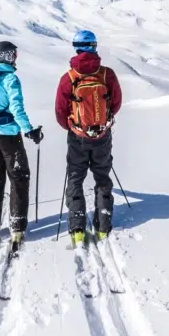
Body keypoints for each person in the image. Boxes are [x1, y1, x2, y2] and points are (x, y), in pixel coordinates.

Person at [54, 30, 122, 247]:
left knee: (75, 178)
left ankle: (77, 230)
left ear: (76, 47)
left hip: (77, 136)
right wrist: (102, 123)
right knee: (102, 176)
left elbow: (60, 110)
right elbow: (117, 102)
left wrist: (74, 127)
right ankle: (103, 227)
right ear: (94, 46)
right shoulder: (106, 74)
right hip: (102, 134)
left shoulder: (69, 77)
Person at [0, 40, 43, 254]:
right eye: (13, 55)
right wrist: (29, 130)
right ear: (6, 56)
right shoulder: (10, 79)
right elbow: (17, 108)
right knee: (19, 177)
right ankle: (16, 227)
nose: (15, 58)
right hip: (8, 136)